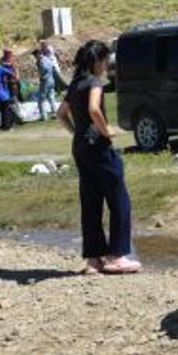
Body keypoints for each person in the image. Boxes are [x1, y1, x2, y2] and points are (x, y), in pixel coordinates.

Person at [57, 40, 141, 275]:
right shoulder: (95, 82)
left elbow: (61, 113)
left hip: (81, 147)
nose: (107, 65)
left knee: (91, 201)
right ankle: (116, 256)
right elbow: (95, 109)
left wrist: (77, 132)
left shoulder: (75, 84)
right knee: (119, 198)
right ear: (98, 61)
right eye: (105, 60)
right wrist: (107, 131)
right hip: (98, 148)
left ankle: (94, 260)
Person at [35, 43, 60, 121]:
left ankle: (43, 116)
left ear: (38, 54)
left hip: (45, 81)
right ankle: (55, 113)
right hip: (51, 80)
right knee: (51, 97)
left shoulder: (42, 61)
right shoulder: (48, 59)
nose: (35, 57)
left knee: (41, 99)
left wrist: (42, 76)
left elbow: (44, 69)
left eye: (35, 55)